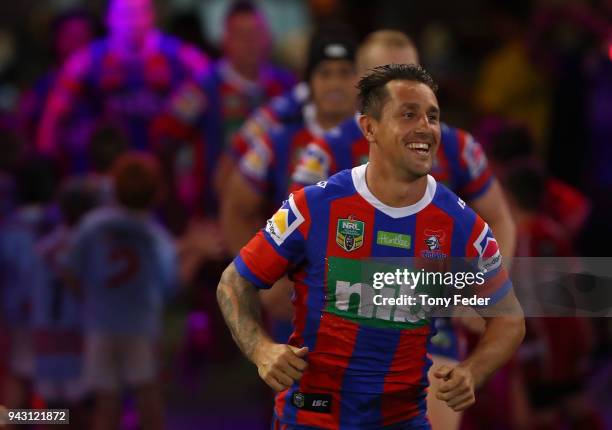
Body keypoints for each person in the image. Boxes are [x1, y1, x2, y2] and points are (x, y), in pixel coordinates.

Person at [217, 64, 525, 429]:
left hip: (403, 420)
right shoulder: (313, 206)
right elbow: (234, 283)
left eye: (432, 116)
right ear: (369, 127)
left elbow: (508, 318)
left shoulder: (461, 225)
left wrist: (473, 371)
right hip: (311, 418)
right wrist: (261, 349)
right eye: (408, 114)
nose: (425, 128)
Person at [289, 30, 517, 430]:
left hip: (432, 315)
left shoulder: (460, 148)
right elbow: (296, 239)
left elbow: (499, 221)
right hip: (343, 315)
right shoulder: (324, 152)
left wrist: (479, 291)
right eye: (384, 74)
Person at [221, 30, 358, 255]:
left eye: (345, 73)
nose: (335, 83)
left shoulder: (379, 136)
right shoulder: (278, 139)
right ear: (309, 82)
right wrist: (256, 280)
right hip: (294, 282)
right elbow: (236, 207)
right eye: (325, 74)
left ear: (359, 81)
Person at [68, 153, 177, 430]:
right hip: (140, 326)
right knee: (149, 400)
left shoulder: (91, 225)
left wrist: (91, 299)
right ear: (156, 193)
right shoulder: (155, 237)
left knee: (106, 406)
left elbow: (71, 271)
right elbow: (169, 286)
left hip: (101, 326)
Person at [37, 0, 209, 174]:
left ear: (151, 16)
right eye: (124, 15)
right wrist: (46, 157)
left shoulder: (181, 56)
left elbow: (211, 83)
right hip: (104, 166)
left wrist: (178, 118)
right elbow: (54, 113)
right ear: (109, 18)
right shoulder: (86, 61)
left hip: (164, 165)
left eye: (138, 14)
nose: (132, 23)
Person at [30, 179, 99, 429]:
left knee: (51, 409)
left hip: (45, 335)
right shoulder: (88, 248)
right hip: (78, 334)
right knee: (84, 408)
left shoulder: (42, 247)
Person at [0, 157, 58, 412]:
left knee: (17, 376)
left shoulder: (7, 230)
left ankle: (9, 423)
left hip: (17, 316)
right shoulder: (60, 228)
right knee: (53, 388)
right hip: (56, 320)